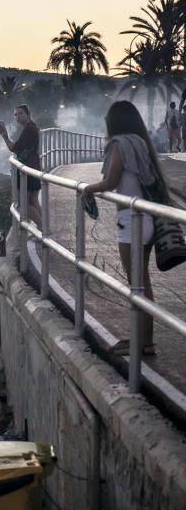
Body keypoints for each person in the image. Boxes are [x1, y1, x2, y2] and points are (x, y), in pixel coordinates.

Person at [83, 100, 173, 356]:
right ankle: (143, 340)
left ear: (113, 123)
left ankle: (142, 343)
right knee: (142, 282)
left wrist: (88, 189)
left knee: (136, 285)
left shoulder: (120, 145)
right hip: (145, 219)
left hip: (130, 222)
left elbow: (110, 182)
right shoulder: (140, 142)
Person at [0, 104, 42, 228]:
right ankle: (44, 227)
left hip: (27, 169)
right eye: (15, 114)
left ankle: (42, 227)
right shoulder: (32, 127)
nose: (17, 116)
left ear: (28, 114)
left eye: (20, 113)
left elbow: (14, 148)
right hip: (34, 167)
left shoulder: (29, 130)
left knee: (23, 204)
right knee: (33, 201)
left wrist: (4, 136)